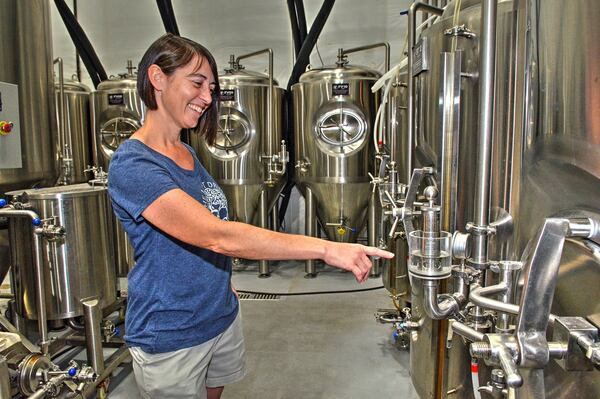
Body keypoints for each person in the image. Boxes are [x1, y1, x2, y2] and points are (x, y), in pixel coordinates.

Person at [107, 33, 394, 399]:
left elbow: (207, 237)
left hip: (220, 315)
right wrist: (325, 249)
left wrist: (221, 283)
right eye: (197, 83)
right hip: (171, 332)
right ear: (157, 78)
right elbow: (218, 235)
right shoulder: (134, 165)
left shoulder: (186, 153)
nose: (208, 98)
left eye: (211, 87)